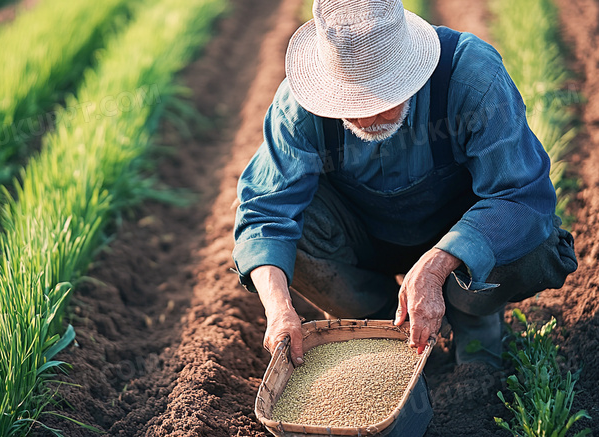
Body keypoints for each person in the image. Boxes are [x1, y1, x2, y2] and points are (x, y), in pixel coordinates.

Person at [232, 0, 577, 368]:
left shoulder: (470, 76)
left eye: (382, 93)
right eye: (351, 98)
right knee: (286, 232)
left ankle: (473, 317)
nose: (367, 116)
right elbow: (264, 213)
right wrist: (280, 309)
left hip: (459, 235)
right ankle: (381, 327)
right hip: (365, 238)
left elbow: (523, 196)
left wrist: (437, 263)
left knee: (532, 242)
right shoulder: (299, 109)